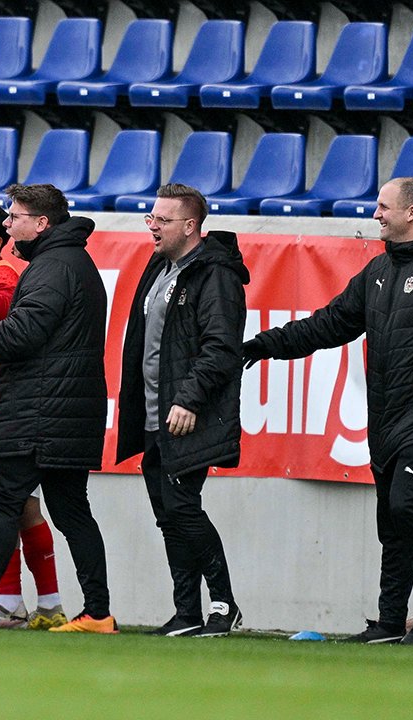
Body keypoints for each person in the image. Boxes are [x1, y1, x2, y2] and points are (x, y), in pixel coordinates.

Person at [243, 177, 413, 645]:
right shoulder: (379, 270)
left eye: (383, 206)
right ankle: (389, 621)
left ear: (411, 213)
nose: (375, 214)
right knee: (391, 521)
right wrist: (265, 345)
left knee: (406, 505)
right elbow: (329, 324)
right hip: (386, 419)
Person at [0, 183, 116, 633]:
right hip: (64, 408)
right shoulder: (69, 261)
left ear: (41, 223)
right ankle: (97, 612)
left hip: (41, 410)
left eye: (14, 217)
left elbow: (21, 335)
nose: (8, 224)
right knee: (70, 510)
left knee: (3, 502)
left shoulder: (52, 267)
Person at [116, 183, 249, 637]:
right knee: (168, 514)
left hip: (189, 414)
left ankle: (224, 605)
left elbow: (221, 347)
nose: (152, 226)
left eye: (162, 219)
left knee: (182, 508)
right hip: (156, 416)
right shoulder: (160, 266)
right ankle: (186, 611)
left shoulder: (216, 275)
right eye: (150, 217)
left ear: (191, 226)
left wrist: (189, 398)